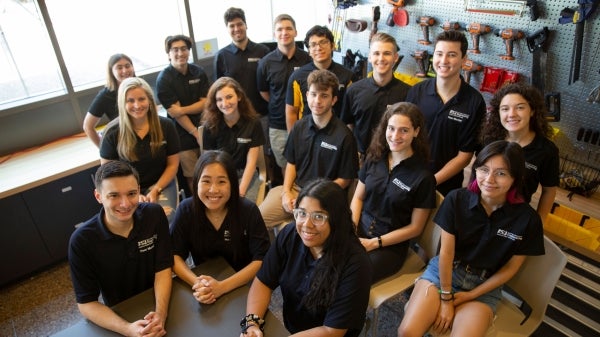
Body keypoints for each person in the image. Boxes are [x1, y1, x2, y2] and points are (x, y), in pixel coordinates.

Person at [397, 140, 545, 337]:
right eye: (484, 169)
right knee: (407, 332)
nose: (489, 179)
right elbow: (446, 253)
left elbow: (511, 268)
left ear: (515, 179)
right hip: (445, 273)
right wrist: (446, 298)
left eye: (501, 173)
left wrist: (472, 295)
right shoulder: (457, 199)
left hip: (485, 286)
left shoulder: (528, 220)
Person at [241, 179, 372, 337]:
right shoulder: (290, 235)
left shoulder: (356, 263)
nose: (306, 224)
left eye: (318, 217)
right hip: (292, 329)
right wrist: (252, 323)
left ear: (336, 219)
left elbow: (332, 331)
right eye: (301, 213)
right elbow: (263, 281)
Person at [68, 161, 173, 337]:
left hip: (162, 300)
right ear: (98, 196)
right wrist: (128, 329)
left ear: (139, 190)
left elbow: (162, 268)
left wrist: (160, 314)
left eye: (131, 194)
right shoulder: (81, 241)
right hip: (119, 312)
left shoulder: (154, 215)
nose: (125, 204)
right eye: (114, 195)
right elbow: (86, 303)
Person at [259, 69, 358, 229]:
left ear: (333, 100)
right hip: (296, 189)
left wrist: (312, 197)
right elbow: (291, 163)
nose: (317, 101)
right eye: (313, 94)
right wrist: (286, 192)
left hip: (324, 197)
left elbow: (345, 180)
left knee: (304, 230)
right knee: (257, 220)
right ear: (306, 96)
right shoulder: (299, 127)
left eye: (324, 96)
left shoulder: (344, 136)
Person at [350, 102, 436, 284]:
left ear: (416, 131)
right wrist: (352, 227)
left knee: (352, 275)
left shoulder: (423, 177)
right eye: (391, 128)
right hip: (358, 230)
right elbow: (358, 197)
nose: (395, 136)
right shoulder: (374, 157)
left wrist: (374, 243)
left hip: (389, 246)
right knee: (327, 257)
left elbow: (415, 228)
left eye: (404, 130)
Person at [170, 150, 270, 304]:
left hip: (243, 282)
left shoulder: (248, 210)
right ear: (196, 182)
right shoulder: (186, 209)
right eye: (206, 181)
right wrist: (197, 283)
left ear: (232, 184)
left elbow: (261, 259)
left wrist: (222, 287)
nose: (213, 190)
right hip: (203, 285)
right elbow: (174, 255)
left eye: (221, 181)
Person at [406, 30, 486, 196]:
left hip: (446, 186)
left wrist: (431, 182)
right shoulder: (416, 92)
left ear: (464, 59)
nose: (443, 61)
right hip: (408, 176)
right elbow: (404, 135)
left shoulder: (474, 102)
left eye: (451, 55)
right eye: (439, 54)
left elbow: (465, 155)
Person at [100, 77, 180, 218]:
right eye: (130, 101)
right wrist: (133, 195)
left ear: (149, 100)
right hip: (124, 189)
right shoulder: (112, 132)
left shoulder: (166, 126)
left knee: (165, 219)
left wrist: (156, 190)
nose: (137, 105)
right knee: (135, 223)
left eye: (141, 99)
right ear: (122, 104)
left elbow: (173, 165)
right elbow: (107, 175)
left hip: (161, 183)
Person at [481, 82, 559, 222]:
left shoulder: (546, 150)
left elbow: (549, 191)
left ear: (532, 111)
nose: (512, 114)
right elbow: (476, 175)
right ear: (498, 113)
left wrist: (538, 223)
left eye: (520, 107)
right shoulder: (489, 139)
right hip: (480, 210)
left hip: (514, 219)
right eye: (505, 109)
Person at [257, 14, 311, 179]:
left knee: (306, 163)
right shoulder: (265, 63)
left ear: (296, 32)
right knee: (285, 166)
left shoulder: (307, 59)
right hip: (278, 125)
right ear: (274, 34)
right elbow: (264, 92)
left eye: (288, 28)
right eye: (279, 29)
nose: (284, 32)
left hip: (306, 123)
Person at [341, 32, 411, 157]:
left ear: (396, 57)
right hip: (360, 159)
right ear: (369, 57)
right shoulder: (354, 90)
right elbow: (348, 124)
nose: (381, 58)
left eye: (387, 53)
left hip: (393, 160)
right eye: (376, 53)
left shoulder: (408, 93)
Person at [156, 34, 210, 193]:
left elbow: (205, 103)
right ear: (169, 54)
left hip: (205, 129)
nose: (181, 53)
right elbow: (176, 115)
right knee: (193, 176)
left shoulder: (198, 72)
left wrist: (182, 109)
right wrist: (195, 133)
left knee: (210, 172)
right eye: (175, 50)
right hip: (182, 135)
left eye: (184, 49)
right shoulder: (164, 79)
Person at [201, 77, 265, 203]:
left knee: (244, 209)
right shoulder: (210, 126)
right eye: (219, 99)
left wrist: (240, 192)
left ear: (239, 96)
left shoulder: (254, 123)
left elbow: (251, 164)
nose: (225, 104)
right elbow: (208, 162)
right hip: (219, 177)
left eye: (229, 97)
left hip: (246, 176)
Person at [285, 25, 353, 132]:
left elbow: (351, 114)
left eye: (323, 42)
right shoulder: (297, 77)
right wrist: (294, 140)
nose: (318, 47)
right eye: (313, 45)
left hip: (337, 136)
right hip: (306, 135)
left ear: (332, 46)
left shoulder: (348, 77)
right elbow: (291, 112)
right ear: (309, 51)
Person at [214, 7, 270, 136]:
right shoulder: (221, 56)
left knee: (264, 155)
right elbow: (219, 91)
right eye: (232, 26)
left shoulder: (263, 51)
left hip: (261, 116)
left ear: (246, 25)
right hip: (235, 118)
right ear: (227, 29)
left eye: (240, 24)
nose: (236, 29)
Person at [83, 53, 135, 147]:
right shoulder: (105, 95)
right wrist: (103, 150)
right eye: (119, 68)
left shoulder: (141, 87)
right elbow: (88, 126)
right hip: (125, 144)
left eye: (128, 66)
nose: (125, 70)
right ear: (111, 72)